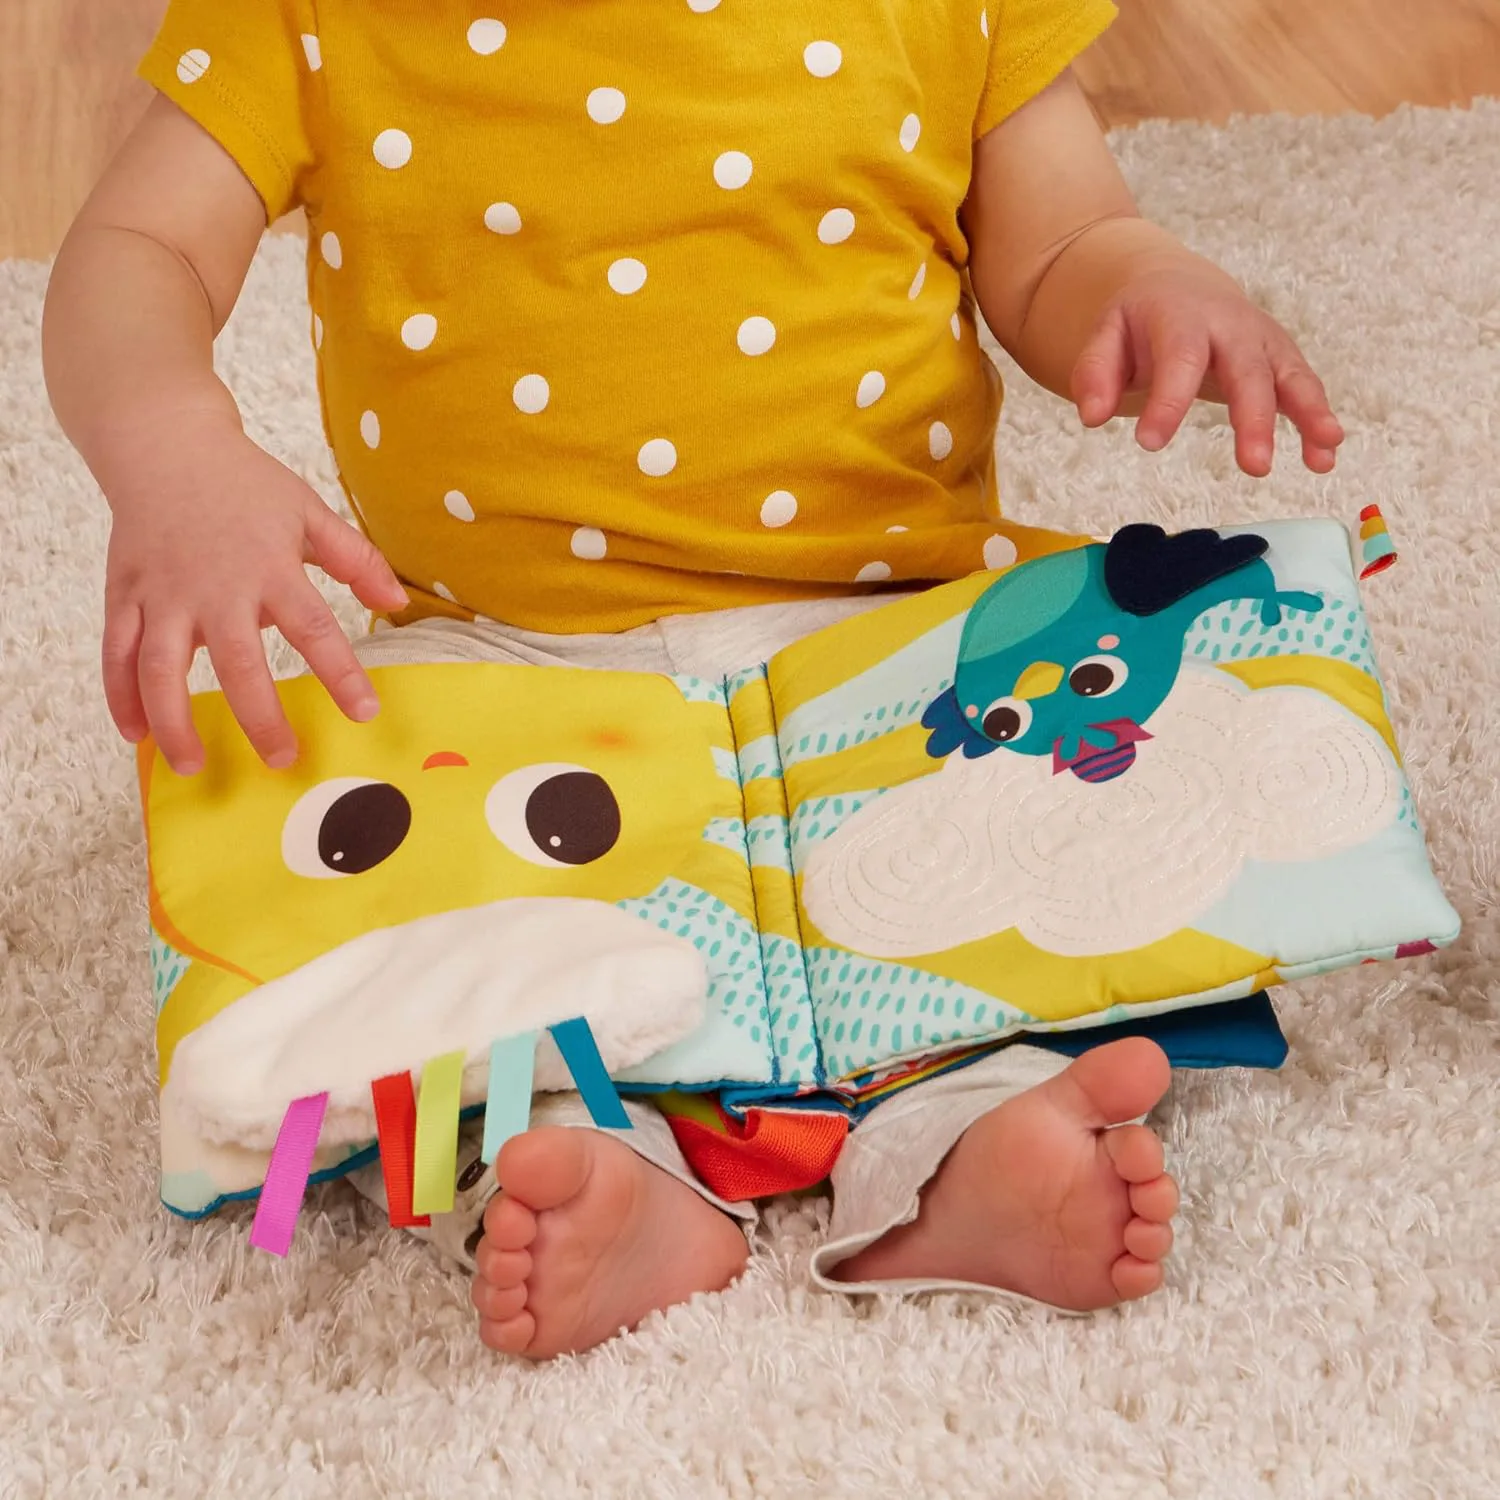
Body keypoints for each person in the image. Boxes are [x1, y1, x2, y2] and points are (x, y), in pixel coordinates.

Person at [42, 0, 1344, 1359]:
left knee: (1004, 851)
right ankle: (608, 1166)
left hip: (887, 636)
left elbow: (1065, 242)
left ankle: (959, 1142)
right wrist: (171, 439)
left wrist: (1142, 283)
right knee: (405, 950)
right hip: (501, 657)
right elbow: (138, 247)